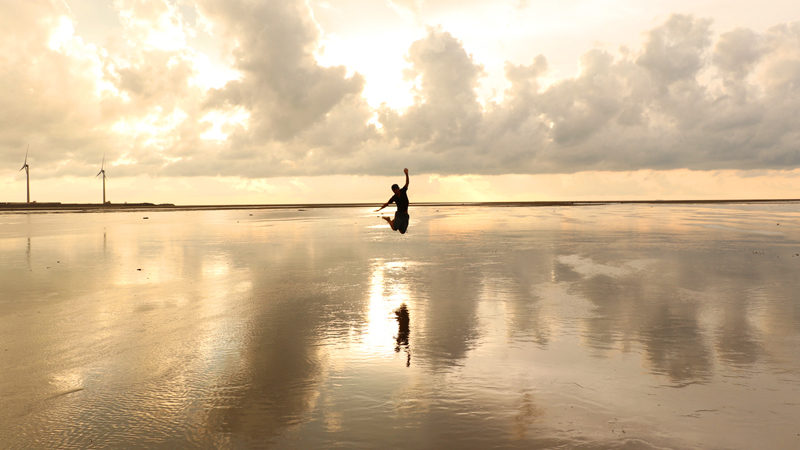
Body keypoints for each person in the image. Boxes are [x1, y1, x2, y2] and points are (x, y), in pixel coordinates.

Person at [376, 168, 410, 234]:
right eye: (393, 190)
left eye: (395, 190)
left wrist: (406, 174)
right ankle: (389, 220)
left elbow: (407, 183)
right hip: (399, 215)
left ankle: (396, 222)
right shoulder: (394, 197)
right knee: (394, 228)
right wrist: (380, 209)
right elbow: (387, 203)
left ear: (398, 189)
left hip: (405, 215)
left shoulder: (403, 191)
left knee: (402, 231)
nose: (395, 191)